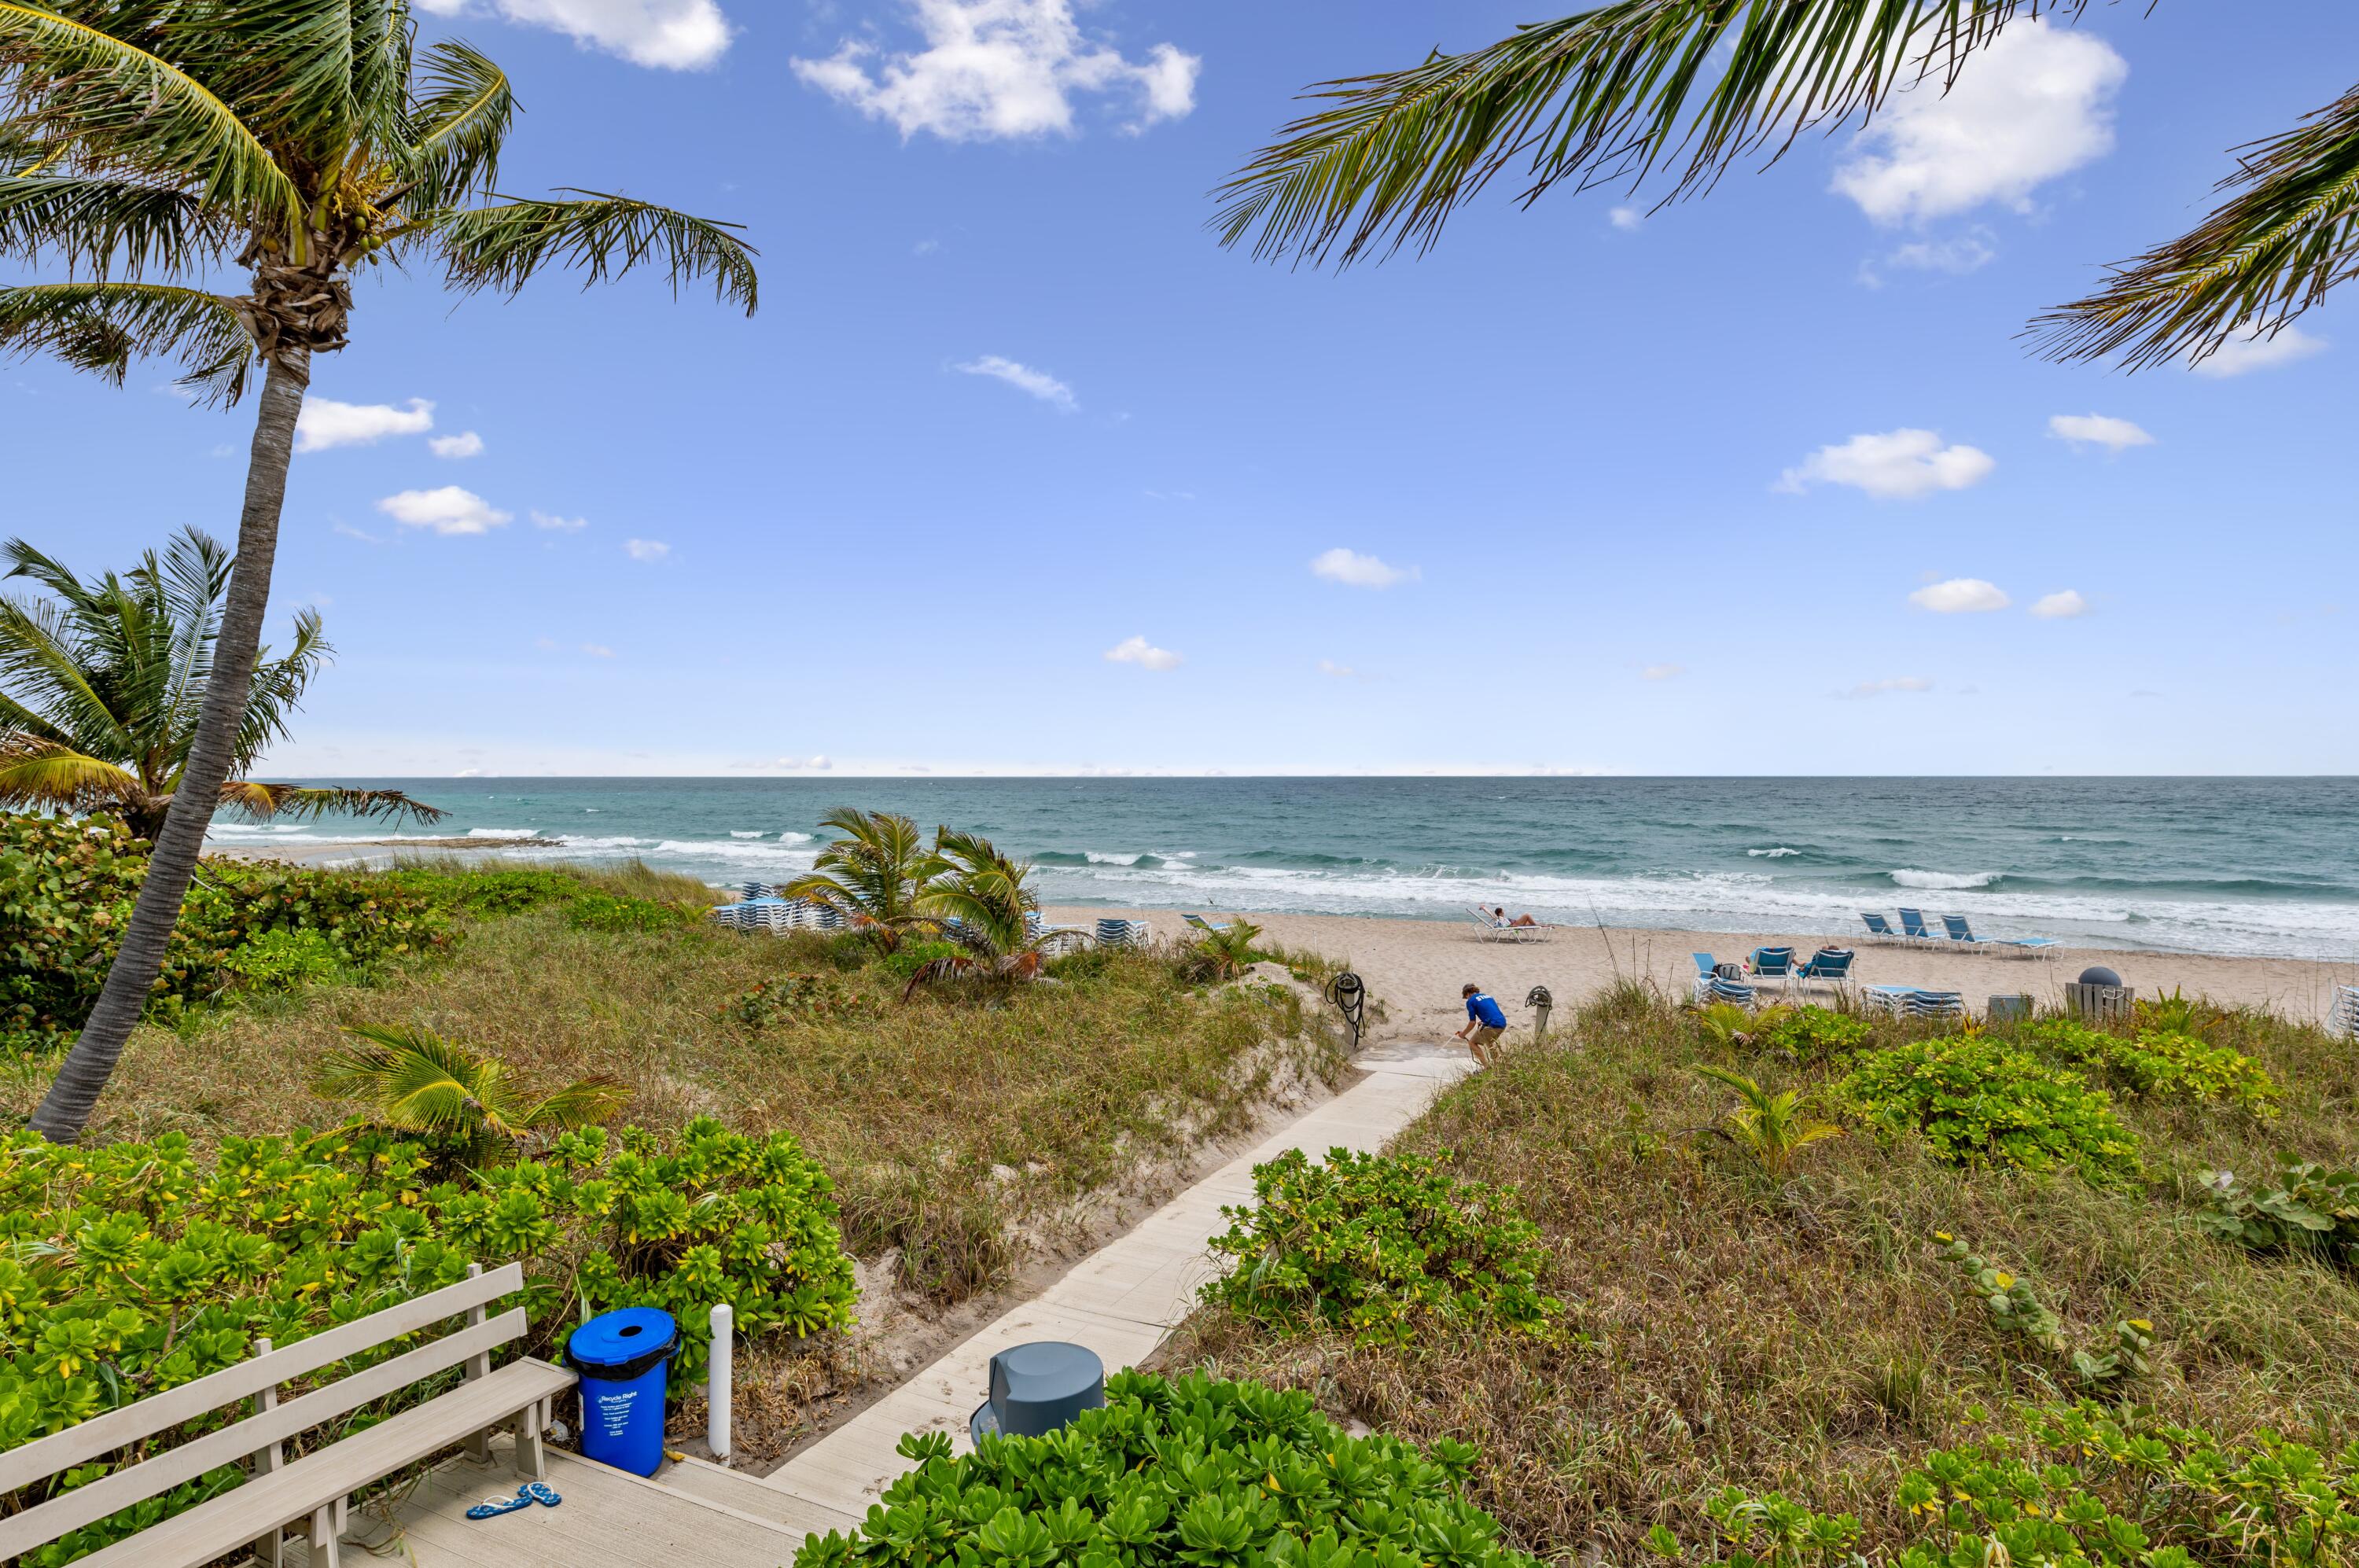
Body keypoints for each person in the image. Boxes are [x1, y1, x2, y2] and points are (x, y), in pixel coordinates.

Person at [1456, 982, 1507, 1066]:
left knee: (1472, 1043)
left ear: (1467, 994)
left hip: (1493, 1025)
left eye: (1466, 997)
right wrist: (1484, 1022)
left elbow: (1472, 1022)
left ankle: (1487, 1067)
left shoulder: (1471, 1001)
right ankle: (1497, 1064)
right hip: (1502, 1023)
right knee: (1489, 1042)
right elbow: (1492, 1012)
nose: (1467, 998)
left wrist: (1463, 1034)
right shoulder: (1488, 996)